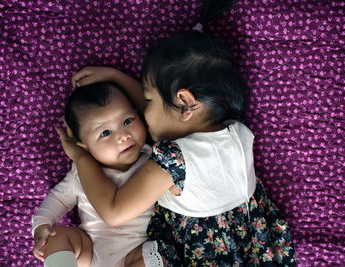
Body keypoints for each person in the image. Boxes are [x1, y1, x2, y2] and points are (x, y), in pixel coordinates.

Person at [58, 0, 297, 266]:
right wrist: (116, 78)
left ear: (185, 103)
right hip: (255, 249)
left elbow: (114, 212)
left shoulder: (174, 159)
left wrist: (81, 157)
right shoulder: (237, 130)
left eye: (146, 101)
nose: (142, 114)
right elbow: (170, 112)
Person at [31, 82, 153, 267]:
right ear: (84, 146)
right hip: (90, 246)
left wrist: (114, 77)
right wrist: (41, 226)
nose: (123, 136)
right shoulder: (81, 172)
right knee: (56, 237)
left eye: (127, 121)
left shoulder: (153, 159)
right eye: (105, 132)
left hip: (139, 248)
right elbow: (58, 199)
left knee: (152, 258)